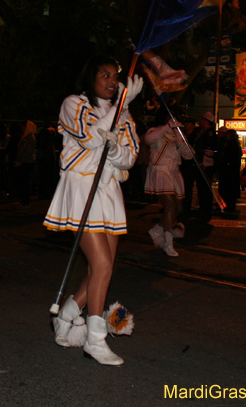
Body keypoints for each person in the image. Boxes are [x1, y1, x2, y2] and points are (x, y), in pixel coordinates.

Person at [44, 56, 141, 366]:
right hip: (82, 187)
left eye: (115, 77)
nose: (112, 81)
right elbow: (88, 139)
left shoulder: (123, 115)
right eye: (105, 75)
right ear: (90, 77)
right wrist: (120, 108)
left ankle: (68, 315)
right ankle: (95, 341)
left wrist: (115, 150)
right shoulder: (74, 103)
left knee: (103, 267)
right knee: (101, 266)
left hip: (108, 191)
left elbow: (130, 158)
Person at [144, 111, 193, 256]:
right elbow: (149, 139)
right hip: (160, 170)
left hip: (174, 172)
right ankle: (168, 243)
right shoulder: (155, 131)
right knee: (170, 205)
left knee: (177, 208)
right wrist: (167, 127)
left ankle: (157, 229)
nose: (174, 120)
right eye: (170, 118)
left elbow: (189, 156)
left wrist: (180, 139)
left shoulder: (178, 135)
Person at [14, 120, 37, 207]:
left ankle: (25, 201)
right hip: (25, 162)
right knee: (22, 181)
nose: (21, 129)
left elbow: (28, 151)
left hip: (27, 162)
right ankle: (23, 200)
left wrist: (20, 161)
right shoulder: (26, 137)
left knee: (25, 182)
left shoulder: (30, 137)